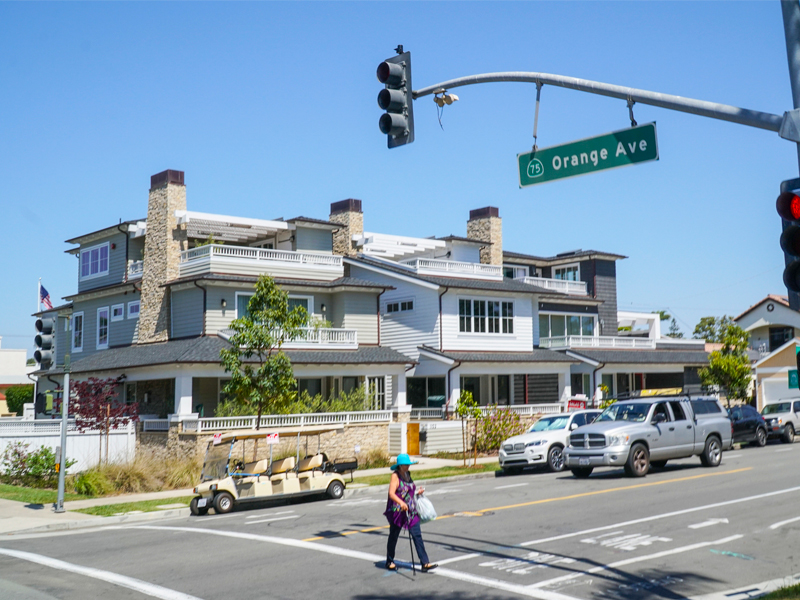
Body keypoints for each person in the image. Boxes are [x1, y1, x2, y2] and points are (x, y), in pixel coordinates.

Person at [384, 453, 438, 573]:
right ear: (400, 465)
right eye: (406, 465)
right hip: (398, 511)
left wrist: (418, 492)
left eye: (409, 464)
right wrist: (401, 503)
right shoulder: (395, 476)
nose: (408, 466)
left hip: (411, 510)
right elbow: (391, 493)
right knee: (393, 536)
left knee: (417, 535)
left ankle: (425, 563)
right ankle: (390, 560)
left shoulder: (408, 474)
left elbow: (409, 491)